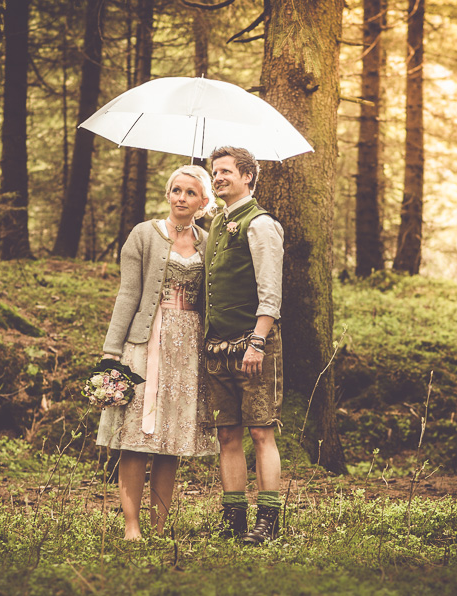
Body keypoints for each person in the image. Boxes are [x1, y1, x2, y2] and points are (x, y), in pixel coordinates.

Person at [96, 164, 218, 540]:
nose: (181, 198)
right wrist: (111, 351)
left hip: (189, 351)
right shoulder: (143, 235)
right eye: (176, 190)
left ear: (203, 202)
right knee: (136, 437)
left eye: (190, 193)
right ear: (168, 194)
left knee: (170, 442)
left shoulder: (208, 241)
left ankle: (159, 527)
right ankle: (132, 526)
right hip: (145, 344)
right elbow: (128, 293)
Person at [204, 146, 284, 545]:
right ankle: (234, 518)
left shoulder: (261, 224)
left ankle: (268, 519)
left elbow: (271, 291)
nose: (217, 177)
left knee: (261, 433)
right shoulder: (217, 223)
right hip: (217, 348)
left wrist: (258, 341)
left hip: (254, 345)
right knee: (227, 435)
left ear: (248, 177)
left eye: (225, 172)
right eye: (214, 171)